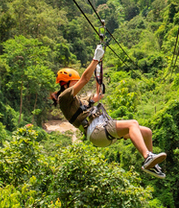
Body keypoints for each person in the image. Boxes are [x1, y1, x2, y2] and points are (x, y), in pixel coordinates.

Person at [50, 44, 166, 178]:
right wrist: (95, 59)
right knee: (132, 123)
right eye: (73, 83)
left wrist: (98, 72)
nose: (77, 85)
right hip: (97, 131)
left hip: (101, 130)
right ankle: (147, 157)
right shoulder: (64, 98)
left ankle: (152, 165)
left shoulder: (78, 101)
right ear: (65, 84)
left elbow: (97, 96)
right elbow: (85, 79)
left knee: (146, 132)